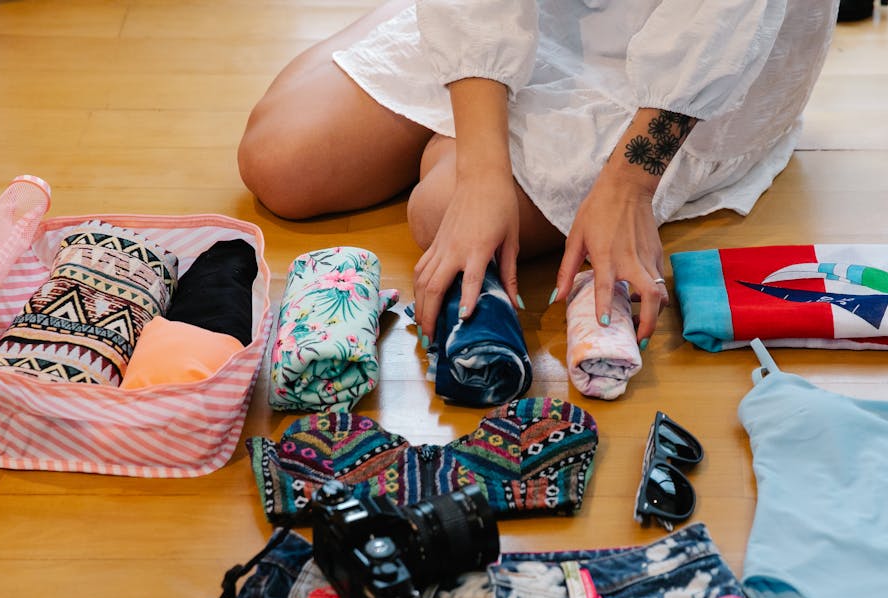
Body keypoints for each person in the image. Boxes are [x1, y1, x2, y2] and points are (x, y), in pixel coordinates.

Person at [238, 0, 839, 350]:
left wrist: (630, 184)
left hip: (710, 46)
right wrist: (483, 173)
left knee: (438, 207)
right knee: (281, 166)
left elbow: (723, 20)